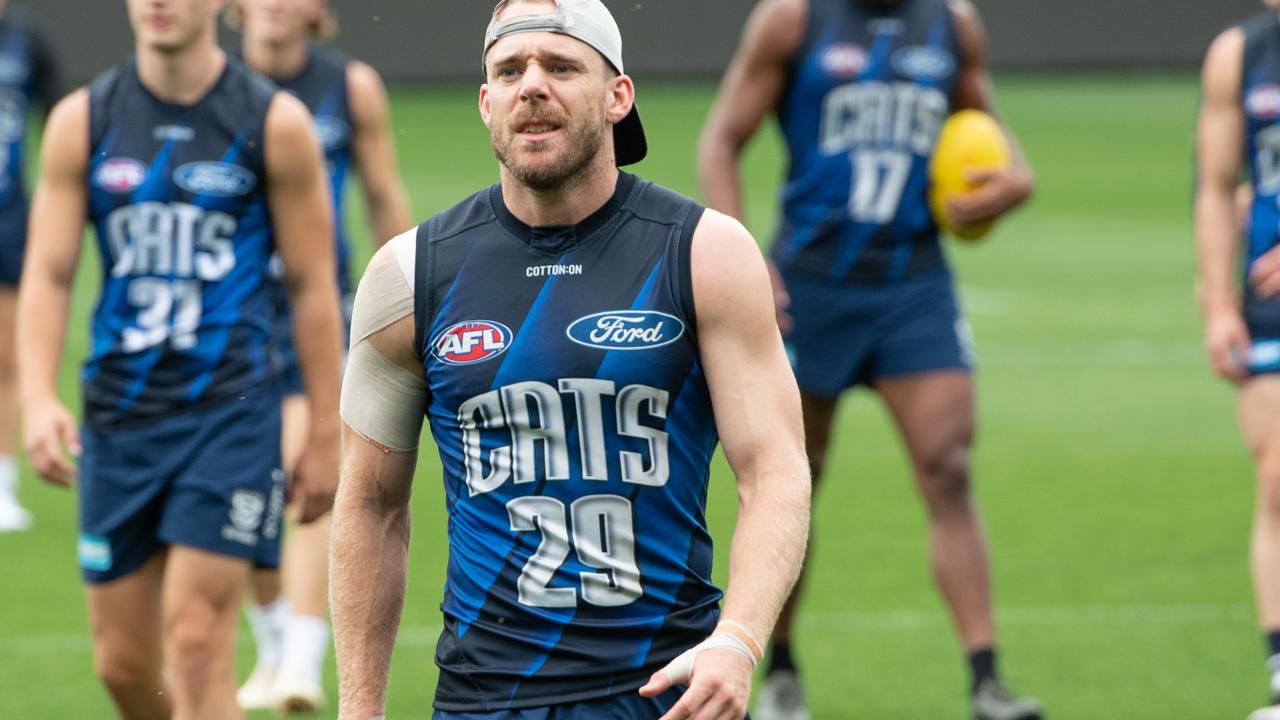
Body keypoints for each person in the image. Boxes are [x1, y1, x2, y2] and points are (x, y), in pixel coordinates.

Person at [328, 0, 812, 718]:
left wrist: (738, 638)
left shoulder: (706, 252)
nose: (532, 86)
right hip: (483, 699)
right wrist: (359, 710)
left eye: (560, 66)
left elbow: (774, 468)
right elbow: (369, 507)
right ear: (485, 101)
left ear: (618, 95)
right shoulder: (408, 276)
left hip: (666, 692)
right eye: (509, 70)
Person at [698, 1, 1040, 718]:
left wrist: (1012, 184)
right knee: (793, 478)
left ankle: (986, 681)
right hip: (810, 288)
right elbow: (722, 140)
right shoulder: (793, 20)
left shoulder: (952, 25)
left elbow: (1000, 148)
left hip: (912, 284)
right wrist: (744, 257)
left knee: (948, 465)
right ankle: (780, 670)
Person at [16, 0, 344, 717]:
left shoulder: (273, 123)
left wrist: (324, 429)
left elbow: (314, 287)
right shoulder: (84, 118)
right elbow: (46, 273)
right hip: (119, 420)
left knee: (196, 648)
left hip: (229, 416)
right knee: (125, 668)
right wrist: (37, 397)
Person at [225, 0, 413, 712]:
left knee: (309, 467)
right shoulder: (212, 86)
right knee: (243, 479)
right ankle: (276, 639)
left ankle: (301, 658)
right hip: (231, 314)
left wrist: (406, 295)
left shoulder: (349, 86)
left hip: (317, 309)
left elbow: (383, 194)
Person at [1196, 3, 1280, 718]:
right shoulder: (1239, 55)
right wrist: (1219, 304)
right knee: (1278, 475)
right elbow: (1218, 185)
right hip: (1267, 298)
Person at [0, 0, 61, 532]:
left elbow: (57, 121)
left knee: (6, 352)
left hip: (9, 219)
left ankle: (1, 483)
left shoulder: (27, 42)